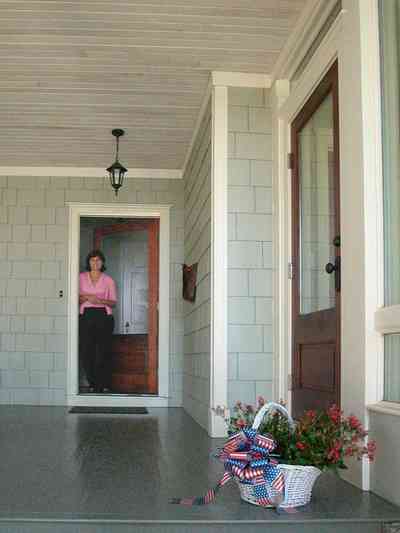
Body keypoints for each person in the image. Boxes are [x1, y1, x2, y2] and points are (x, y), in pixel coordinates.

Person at [79, 249, 117, 393]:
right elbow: (75, 297)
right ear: (88, 262)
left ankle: (104, 383)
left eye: (98, 260)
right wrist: (89, 298)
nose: (95, 263)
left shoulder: (108, 280)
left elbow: (113, 303)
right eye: (92, 260)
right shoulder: (80, 278)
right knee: (86, 351)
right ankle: (92, 383)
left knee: (103, 351)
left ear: (102, 263)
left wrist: (99, 300)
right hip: (86, 315)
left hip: (104, 316)